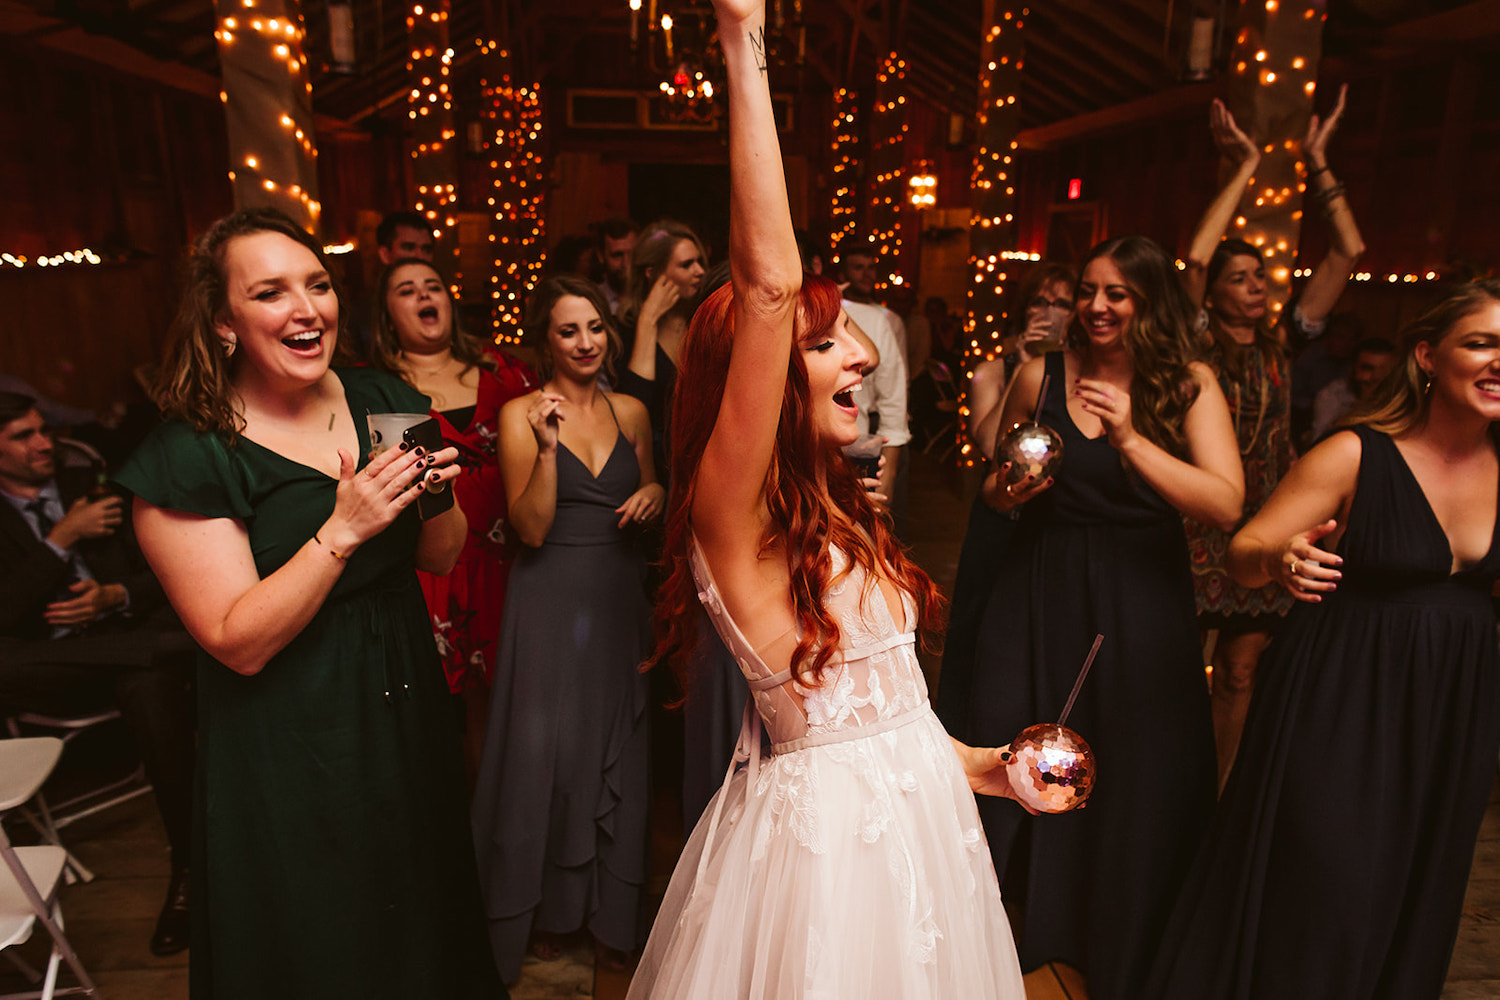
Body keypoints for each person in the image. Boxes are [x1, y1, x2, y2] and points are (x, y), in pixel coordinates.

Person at [627, 1, 1029, 995]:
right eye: (824, 339)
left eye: (850, 332)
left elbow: (889, 717)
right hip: (821, 864)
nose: (858, 353)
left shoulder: (841, 511)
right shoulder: (733, 509)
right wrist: (742, 38)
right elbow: (766, 285)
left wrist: (990, 766)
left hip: (920, 845)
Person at [115, 207, 499, 999]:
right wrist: (343, 529)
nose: (305, 309)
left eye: (317, 285)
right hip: (289, 732)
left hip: (403, 704)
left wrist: (436, 493)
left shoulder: (384, 395)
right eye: (270, 293)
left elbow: (441, 553)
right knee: (321, 930)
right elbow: (235, 640)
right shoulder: (189, 453)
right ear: (224, 321)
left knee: (422, 909)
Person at [1145, 280, 1500, 1000]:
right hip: (1342, 697)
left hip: (1454, 707)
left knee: (1418, 877)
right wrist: (1280, 558)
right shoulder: (1355, 455)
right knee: (1326, 880)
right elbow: (1244, 551)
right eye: (1482, 342)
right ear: (1429, 355)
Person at [966, 234, 1244, 1000]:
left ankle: (1123, 929)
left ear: (1147, 301)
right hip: (1040, 585)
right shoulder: (1039, 373)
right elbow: (997, 484)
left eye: (1115, 294)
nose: (1093, 307)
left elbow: (1224, 502)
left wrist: (1128, 438)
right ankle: (999, 937)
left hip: (1140, 595)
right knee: (1015, 745)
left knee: (1137, 762)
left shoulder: (1185, 384)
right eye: (1086, 291)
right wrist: (1006, 491)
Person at [471, 275, 661, 982]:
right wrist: (549, 448)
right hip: (547, 599)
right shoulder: (523, 412)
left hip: (617, 596)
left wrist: (655, 490)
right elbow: (530, 528)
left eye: (595, 328)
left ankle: (614, 916)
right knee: (545, 754)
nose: (585, 343)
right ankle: (547, 908)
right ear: (544, 340)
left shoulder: (634, 412)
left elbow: (657, 497)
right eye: (568, 330)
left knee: (620, 746)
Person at [1180, 88, 1365, 787]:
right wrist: (1245, 166)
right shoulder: (1194, 341)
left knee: (1240, 668)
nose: (1255, 286)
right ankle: (1168, 787)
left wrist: (1320, 163)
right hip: (1197, 517)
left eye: (1260, 276)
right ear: (1217, 292)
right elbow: (1193, 260)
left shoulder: (1285, 340)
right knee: (1173, 666)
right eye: (1240, 278)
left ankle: (1219, 795)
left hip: (1270, 515)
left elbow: (1350, 250)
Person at [0, 392, 196, 957]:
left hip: (123, 644)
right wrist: (61, 539)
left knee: (151, 686)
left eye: (43, 430)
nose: (44, 444)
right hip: (53, 664)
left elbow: (168, 569)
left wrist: (114, 594)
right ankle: (172, 649)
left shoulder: (95, 481)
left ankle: (188, 873)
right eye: (22, 436)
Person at [367, 256, 537, 784]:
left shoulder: (505, 371)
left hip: (509, 563)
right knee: (437, 713)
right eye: (406, 290)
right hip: (431, 567)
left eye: (433, 285)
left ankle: (502, 836)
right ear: (387, 313)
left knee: (509, 710)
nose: (424, 295)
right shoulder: (374, 389)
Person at [935, 262, 1075, 740]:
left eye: (1061, 303)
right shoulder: (993, 371)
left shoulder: (1079, 376)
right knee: (982, 621)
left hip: (1056, 517)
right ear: (1024, 309)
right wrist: (1017, 368)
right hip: (999, 513)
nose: (1050, 313)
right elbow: (989, 443)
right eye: (1041, 302)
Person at [617, 218, 708, 485]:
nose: (700, 271)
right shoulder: (624, 331)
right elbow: (634, 409)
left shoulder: (703, 321)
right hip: (650, 474)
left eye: (699, 261)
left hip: (703, 464)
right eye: (686, 264)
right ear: (652, 273)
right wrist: (648, 321)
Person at [1309, 336, 1396, 441]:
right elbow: (1320, 441)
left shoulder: (1399, 399)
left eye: (1384, 370)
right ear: (1352, 369)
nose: (1376, 377)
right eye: (1368, 368)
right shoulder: (1331, 396)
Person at [596, 217, 639, 317]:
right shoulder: (593, 301)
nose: (626, 264)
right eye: (617, 255)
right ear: (601, 256)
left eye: (632, 254)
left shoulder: (652, 298)